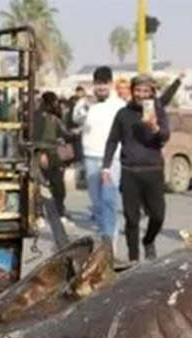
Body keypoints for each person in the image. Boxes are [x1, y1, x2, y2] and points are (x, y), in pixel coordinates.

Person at [102, 74, 170, 263]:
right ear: (132, 92)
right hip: (130, 171)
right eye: (138, 90)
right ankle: (133, 260)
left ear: (151, 93)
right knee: (131, 219)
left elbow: (165, 137)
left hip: (153, 170)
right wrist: (106, 167)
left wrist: (154, 127)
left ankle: (148, 240)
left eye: (146, 91)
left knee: (158, 215)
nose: (141, 94)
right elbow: (113, 140)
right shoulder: (123, 114)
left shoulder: (158, 111)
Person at [73, 66, 126, 247]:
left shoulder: (119, 105)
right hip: (90, 158)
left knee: (109, 201)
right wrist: (86, 105)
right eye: (98, 84)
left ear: (110, 84)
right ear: (93, 85)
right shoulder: (86, 104)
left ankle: (110, 245)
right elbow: (76, 119)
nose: (101, 88)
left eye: (104, 84)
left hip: (111, 160)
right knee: (97, 204)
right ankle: (105, 235)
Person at [37, 91, 74, 229]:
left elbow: (64, 133)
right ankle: (39, 214)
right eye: (55, 102)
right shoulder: (39, 117)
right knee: (40, 187)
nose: (57, 104)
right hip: (44, 154)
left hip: (55, 154)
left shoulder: (55, 117)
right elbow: (36, 137)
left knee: (58, 186)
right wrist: (41, 153)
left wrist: (75, 133)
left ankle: (60, 212)